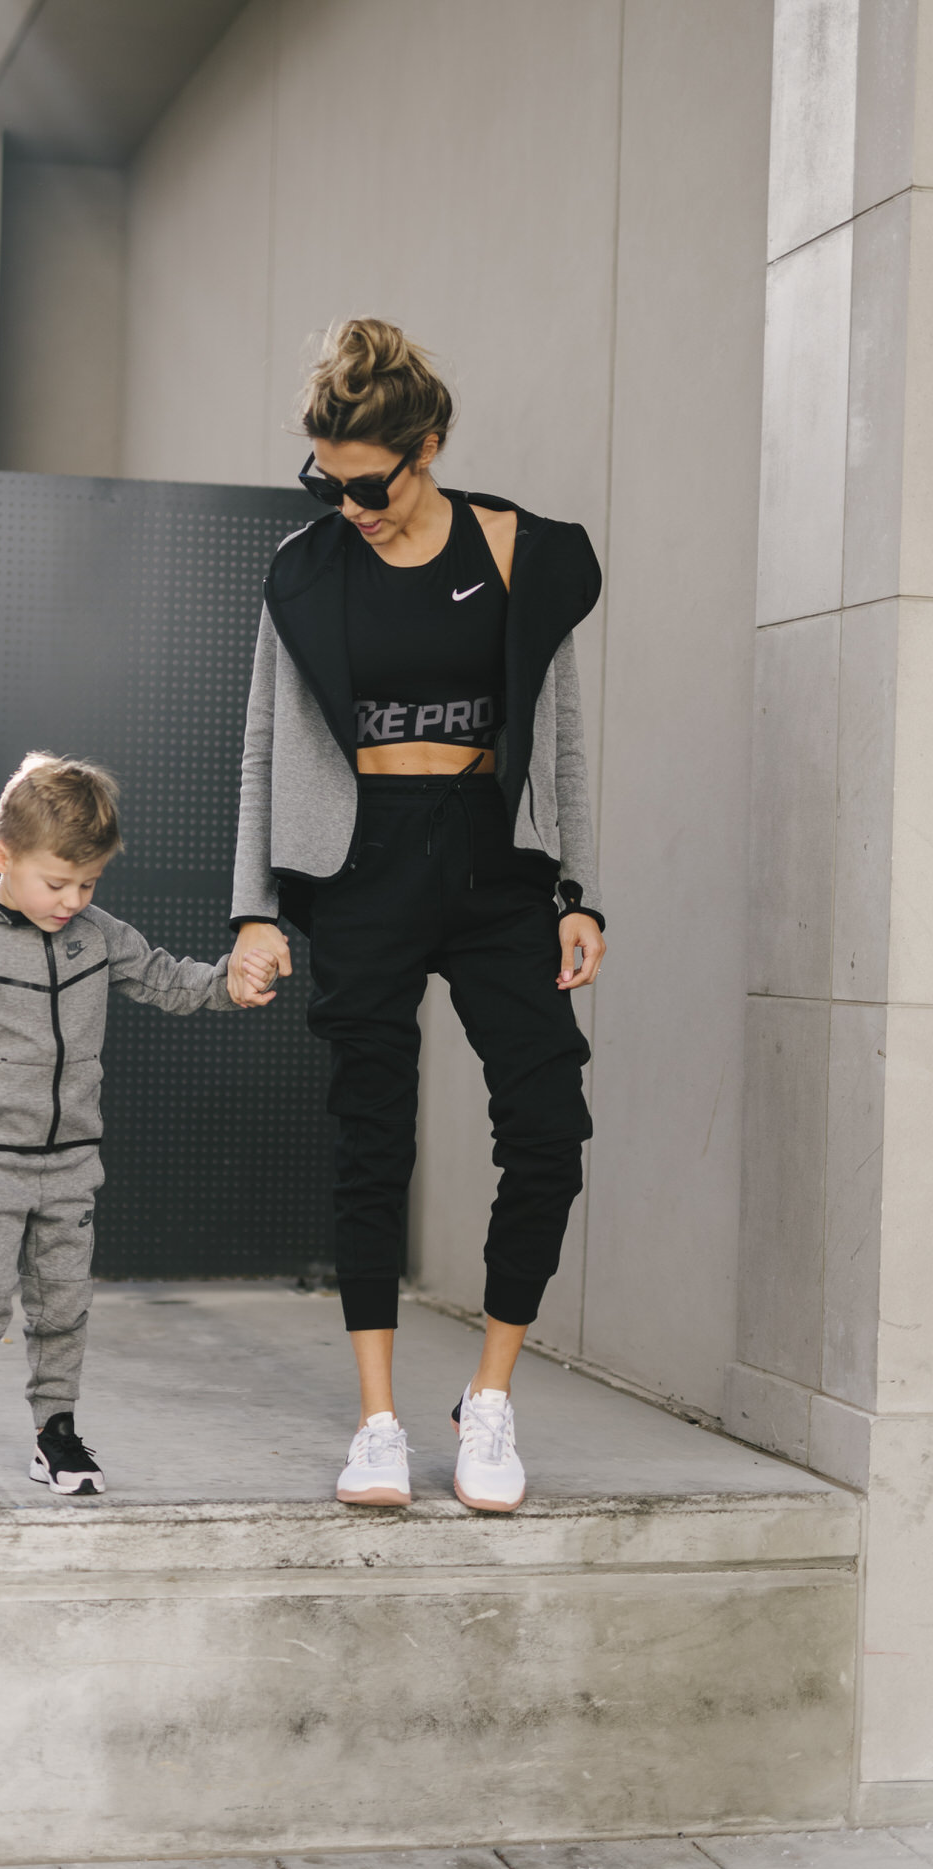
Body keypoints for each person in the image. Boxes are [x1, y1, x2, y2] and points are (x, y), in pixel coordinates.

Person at [227, 319, 605, 1513]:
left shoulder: (515, 552)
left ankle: (486, 1396)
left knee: (547, 1119)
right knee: (369, 1140)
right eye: (329, 485)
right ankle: (378, 1419)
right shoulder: (306, 568)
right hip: (363, 869)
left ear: (428, 446)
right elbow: (262, 749)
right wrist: (257, 911)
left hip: (495, 870)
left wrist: (577, 887)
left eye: (372, 484)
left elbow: (560, 732)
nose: (353, 507)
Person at [0, 751, 278, 1507]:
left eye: (89, 884)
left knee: (63, 1305)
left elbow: (167, 979)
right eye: (56, 883)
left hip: (71, 1162)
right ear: (4, 857)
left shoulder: (95, 934)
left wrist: (230, 981)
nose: (73, 899)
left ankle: (55, 1431)